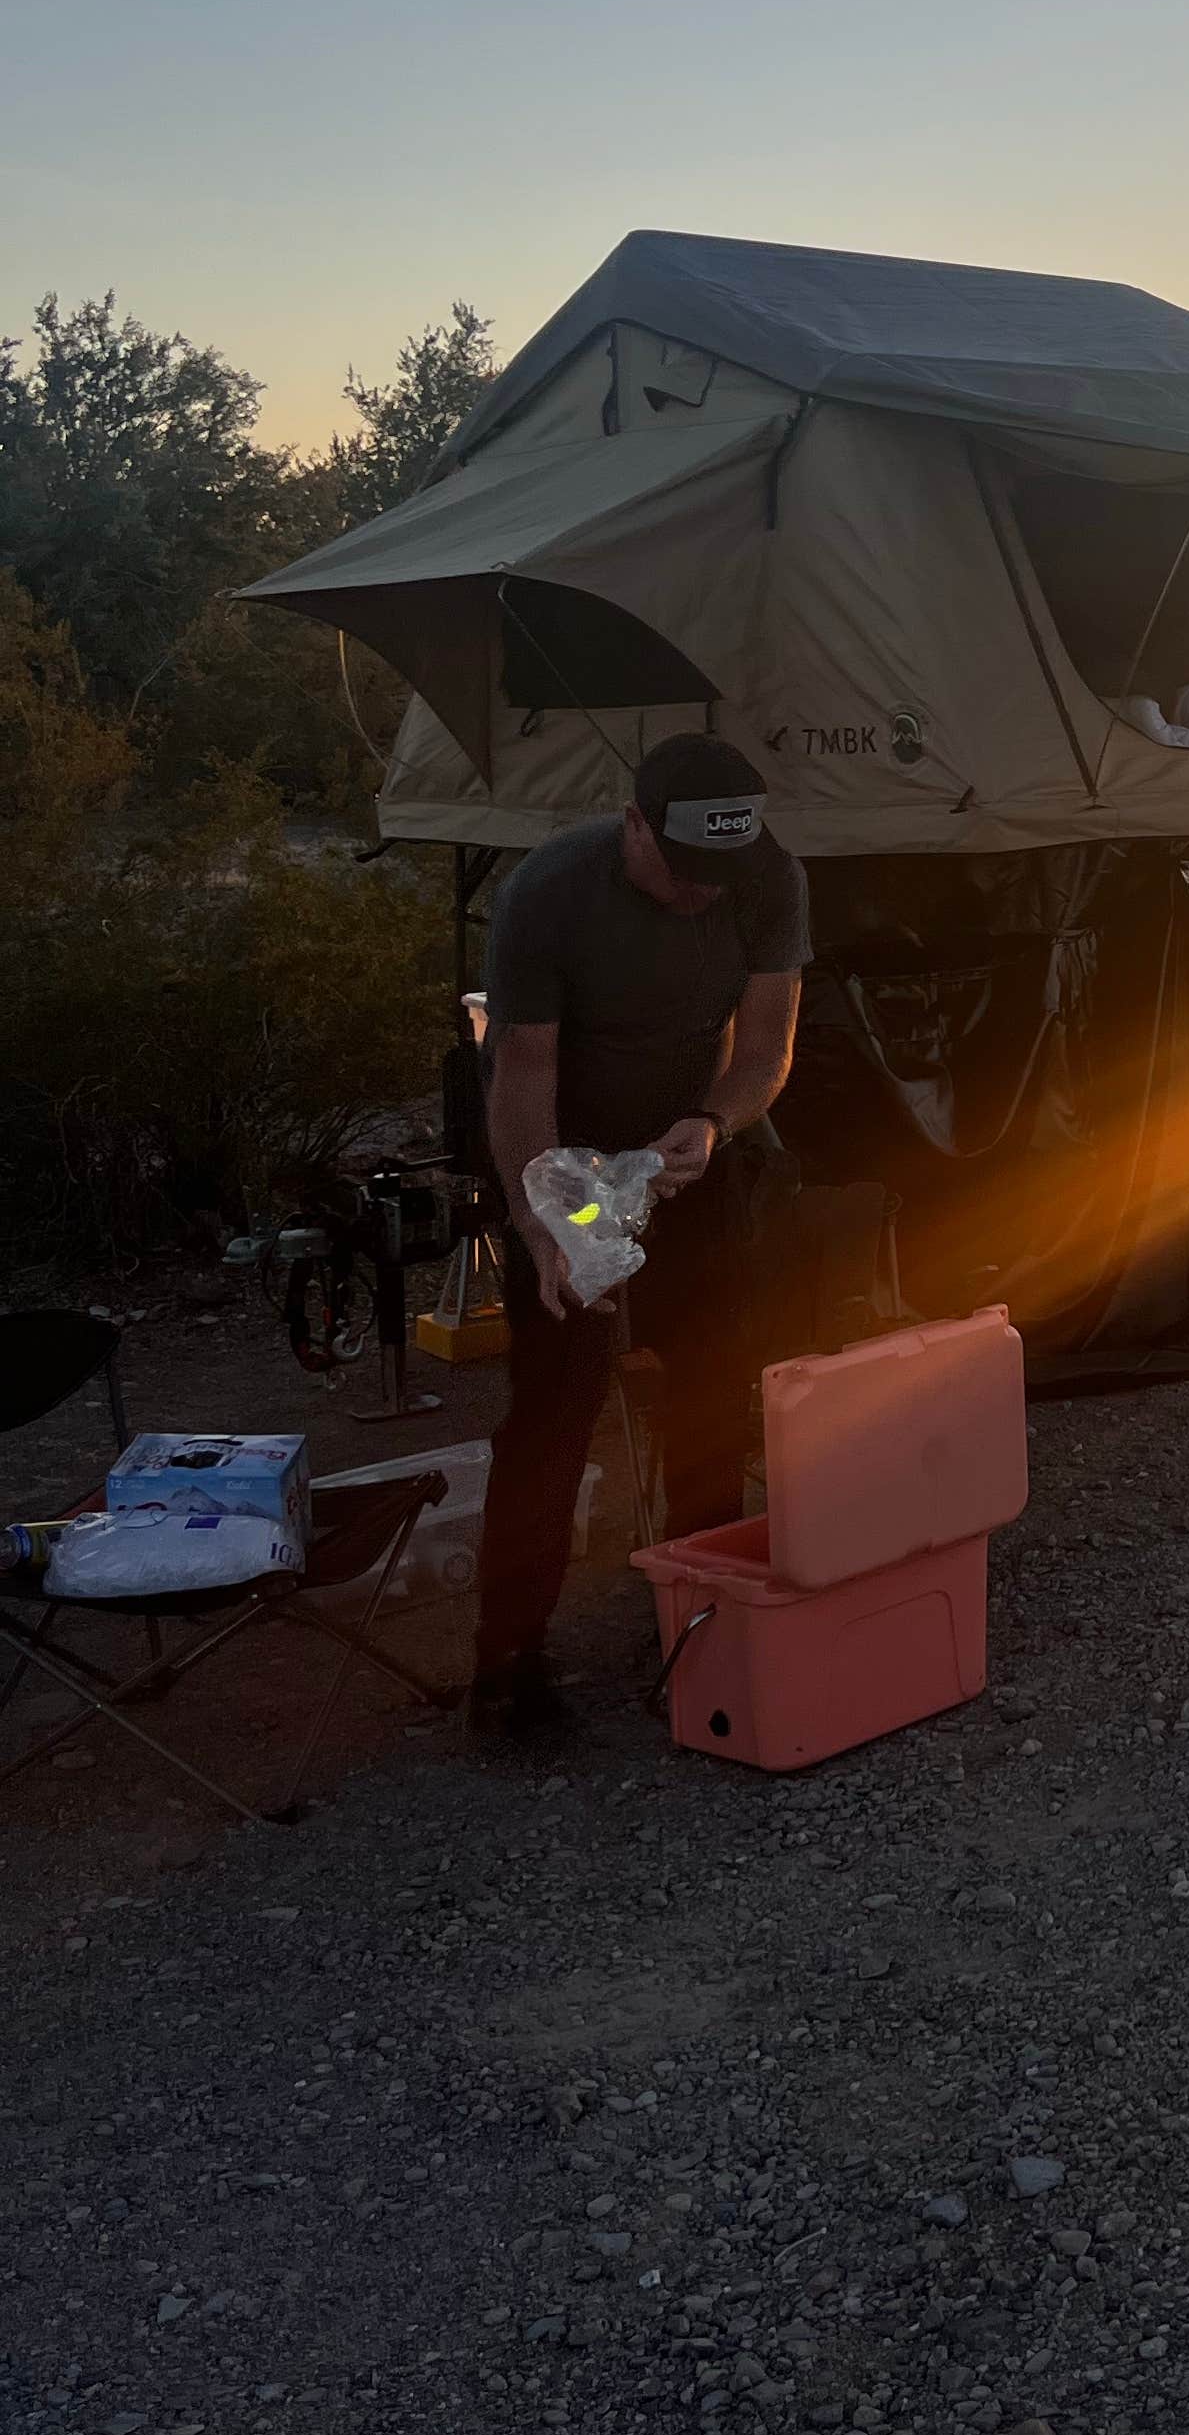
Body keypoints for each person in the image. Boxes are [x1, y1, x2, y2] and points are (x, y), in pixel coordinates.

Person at [470, 735, 810, 1735]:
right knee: (556, 1405)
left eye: (724, 875)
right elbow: (519, 1074)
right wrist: (541, 1225)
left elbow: (766, 1047)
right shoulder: (551, 894)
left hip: (683, 1156)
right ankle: (509, 1661)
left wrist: (715, 1123)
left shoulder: (768, 878)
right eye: (685, 870)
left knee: (710, 1385)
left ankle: (698, 1611)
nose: (705, 894)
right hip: (565, 1164)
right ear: (634, 826)